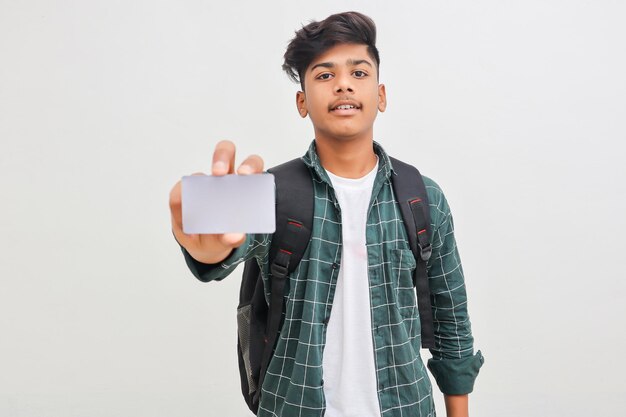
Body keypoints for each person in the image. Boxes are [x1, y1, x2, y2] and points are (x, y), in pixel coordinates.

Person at [169, 11, 483, 417]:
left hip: (406, 407)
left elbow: (451, 319)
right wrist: (206, 247)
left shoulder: (423, 197)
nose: (343, 84)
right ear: (302, 102)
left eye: (359, 72)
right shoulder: (270, 192)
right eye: (323, 75)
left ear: (381, 95)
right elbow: (219, 248)